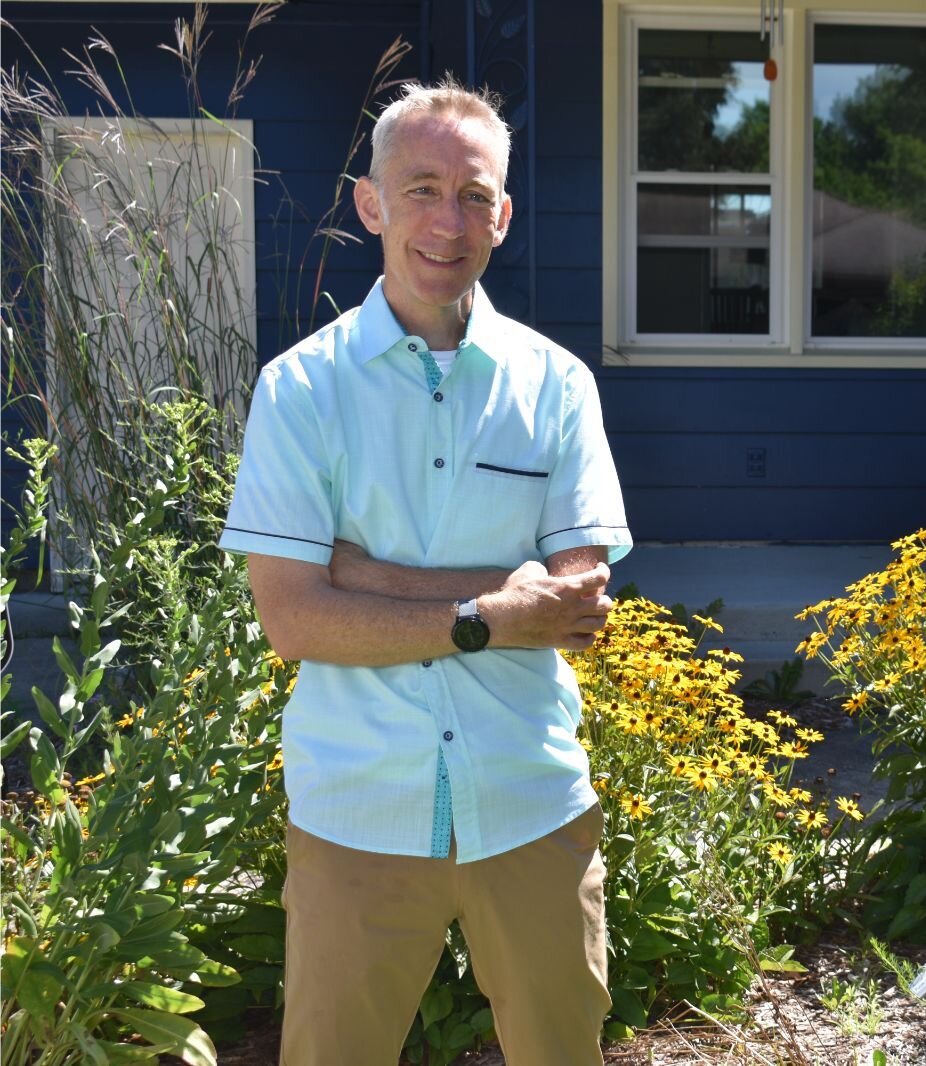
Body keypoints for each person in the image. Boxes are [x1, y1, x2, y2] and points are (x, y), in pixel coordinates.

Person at [219, 78, 629, 1065]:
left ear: (505, 214)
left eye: (475, 194)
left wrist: (360, 572)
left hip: (531, 800)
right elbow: (296, 620)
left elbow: (576, 605)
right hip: (356, 807)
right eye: (421, 189)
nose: (449, 221)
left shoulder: (556, 383)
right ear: (370, 204)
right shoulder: (301, 389)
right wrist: (490, 610)